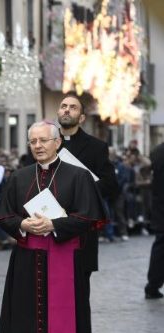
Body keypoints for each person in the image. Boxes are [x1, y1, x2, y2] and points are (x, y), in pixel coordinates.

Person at [0, 121, 105, 333]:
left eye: (43, 140)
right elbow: (4, 216)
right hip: (27, 264)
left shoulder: (78, 176)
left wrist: (54, 225)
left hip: (64, 262)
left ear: (57, 143)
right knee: (26, 326)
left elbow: (89, 217)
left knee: (62, 326)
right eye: (33, 141)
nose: (38, 146)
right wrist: (23, 224)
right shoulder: (19, 177)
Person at [57, 95, 117, 275]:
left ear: (82, 118)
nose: (67, 109)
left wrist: (79, 191)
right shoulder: (45, 143)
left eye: (73, 107)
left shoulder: (96, 147)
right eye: (63, 106)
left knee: (79, 286)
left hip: (81, 224)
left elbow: (110, 185)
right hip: (50, 223)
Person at [145, 142, 164, 299]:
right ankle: (152, 286)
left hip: (159, 207)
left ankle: (153, 285)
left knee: (160, 247)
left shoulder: (157, 151)